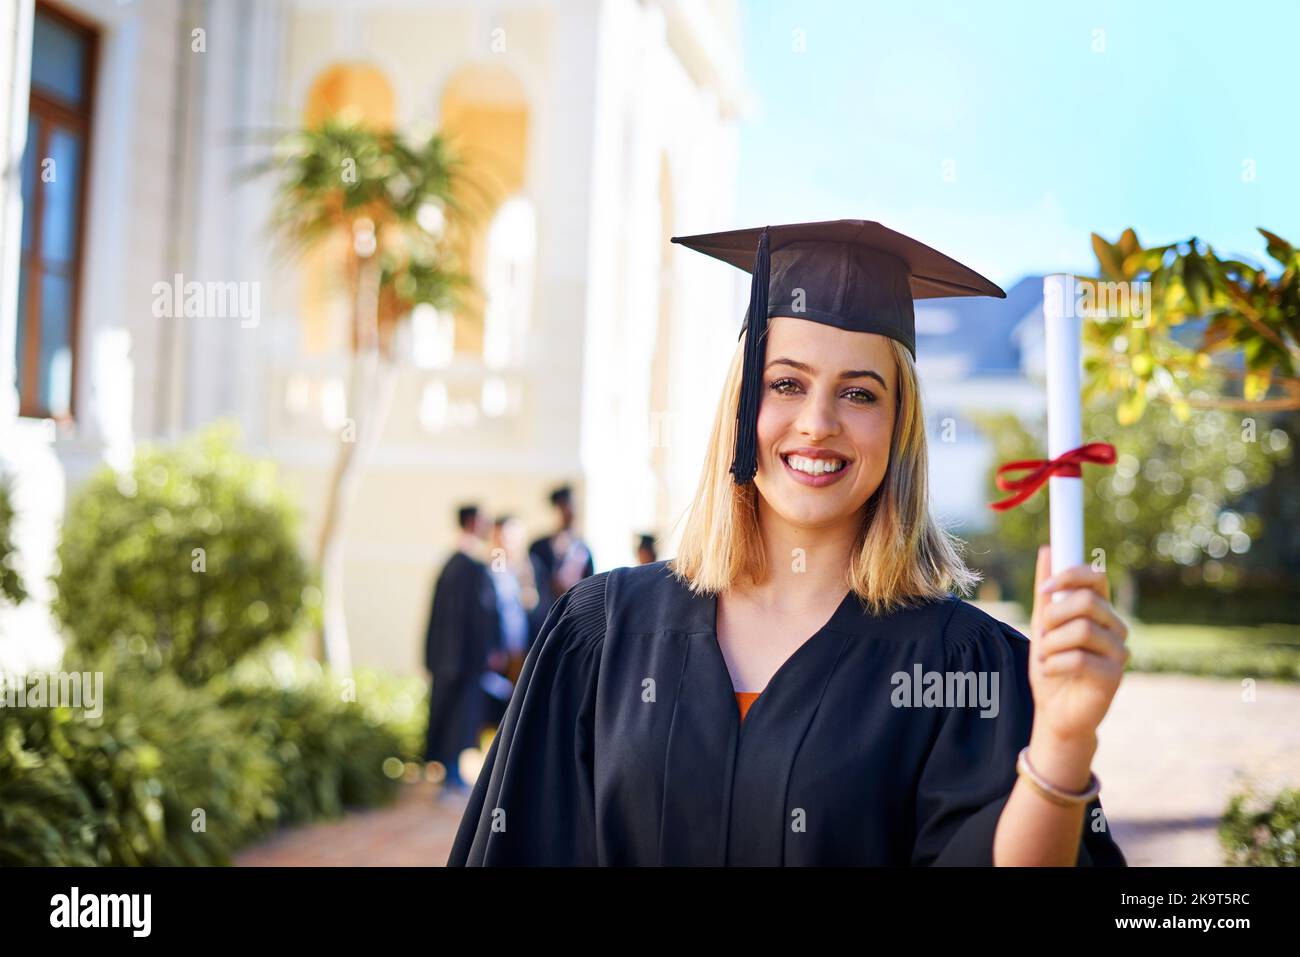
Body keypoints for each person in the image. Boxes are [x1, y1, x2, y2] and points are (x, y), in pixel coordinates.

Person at [450, 220, 1130, 865]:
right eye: (786, 383)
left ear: (899, 427)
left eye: (860, 394)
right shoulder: (603, 630)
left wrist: (1064, 740)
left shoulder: (963, 664)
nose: (817, 422)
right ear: (743, 404)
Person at [423, 504, 501, 795]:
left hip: (452, 659)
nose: (487, 525)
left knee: (456, 716)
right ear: (471, 522)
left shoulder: (452, 565)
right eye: (483, 520)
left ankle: (451, 773)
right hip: (462, 660)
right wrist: (487, 651)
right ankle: (450, 775)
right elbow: (476, 616)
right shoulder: (467, 567)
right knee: (456, 717)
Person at [527, 485, 594, 627]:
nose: (569, 511)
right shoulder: (539, 546)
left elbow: (589, 585)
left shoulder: (583, 549)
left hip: (573, 618)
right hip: (543, 617)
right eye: (564, 506)